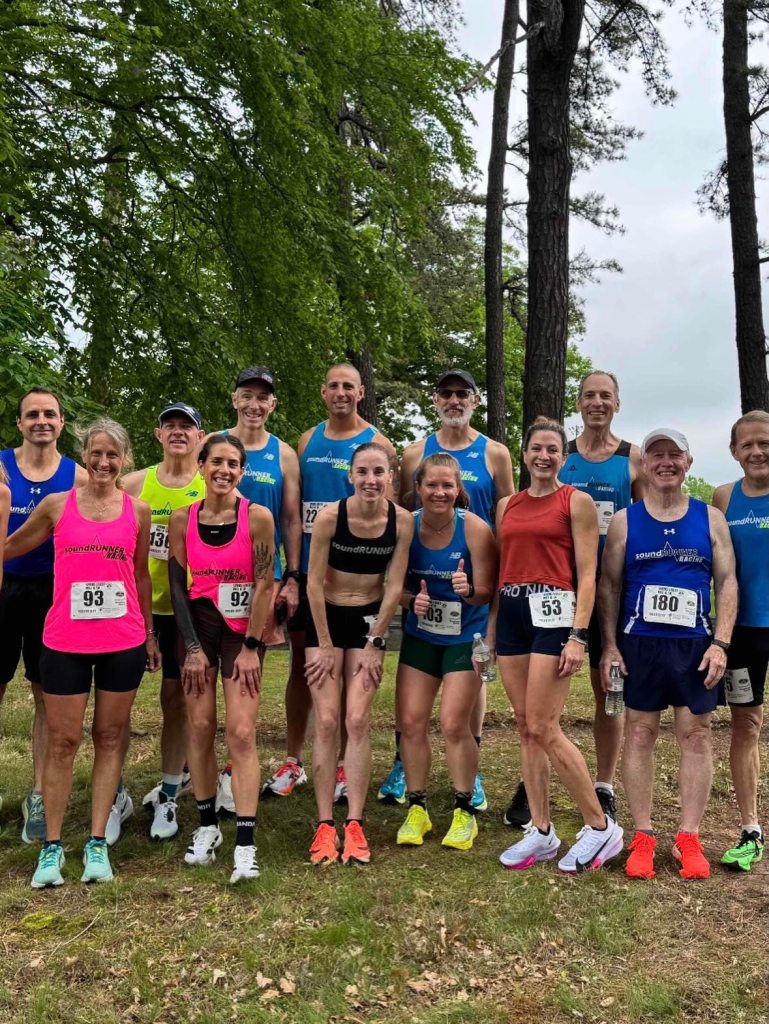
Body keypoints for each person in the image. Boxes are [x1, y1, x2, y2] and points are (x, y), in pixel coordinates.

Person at [3, 419, 160, 888]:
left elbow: (141, 575)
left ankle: (96, 842)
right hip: (65, 641)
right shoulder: (57, 505)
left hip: (122, 640)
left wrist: (149, 633)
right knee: (63, 742)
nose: (104, 462)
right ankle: (51, 847)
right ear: (84, 455)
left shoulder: (139, 510)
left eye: (112, 455)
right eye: (96, 453)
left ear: (124, 459)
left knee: (109, 737)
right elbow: (11, 548)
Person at [598, 428, 738, 880]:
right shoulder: (625, 521)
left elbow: (727, 582)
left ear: (688, 463)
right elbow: (609, 585)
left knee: (696, 736)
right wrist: (610, 646)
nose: (665, 462)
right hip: (640, 643)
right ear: (643, 465)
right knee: (639, 733)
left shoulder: (710, 518)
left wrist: (721, 643)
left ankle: (689, 838)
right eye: (656, 455)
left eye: (674, 455)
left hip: (695, 644)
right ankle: (643, 836)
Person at [492, 418, 624, 874]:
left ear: (563, 458)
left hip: (554, 616)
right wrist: (491, 629)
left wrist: (577, 635)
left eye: (552, 449)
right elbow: (503, 568)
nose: (544, 456)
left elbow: (587, 574)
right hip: (513, 615)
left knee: (545, 726)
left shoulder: (576, 501)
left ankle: (600, 826)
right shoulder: (507, 505)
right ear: (524, 454)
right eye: (536, 448)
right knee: (525, 726)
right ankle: (542, 830)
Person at [379, 369, 514, 812]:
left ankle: (470, 775)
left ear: (475, 400)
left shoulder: (494, 452)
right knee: (413, 710)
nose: (454, 400)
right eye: (446, 393)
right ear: (435, 399)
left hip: (473, 584)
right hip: (425, 584)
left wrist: (483, 583)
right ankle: (404, 766)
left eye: (463, 393)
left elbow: (507, 511)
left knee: (463, 698)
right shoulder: (415, 452)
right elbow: (401, 512)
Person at [277, 363, 397, 804]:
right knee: (302, 667)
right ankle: (293, 759)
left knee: (350, 680)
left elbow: (387, 515)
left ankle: (345, 764)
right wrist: (293, 572)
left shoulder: (378, 443)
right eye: (334, 386)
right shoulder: (307, 440)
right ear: (323, 392)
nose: (341, 392)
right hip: (313, 576)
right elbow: (293, 509)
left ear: (361, 392)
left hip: (357, 576)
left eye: (349, 386)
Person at [169, 433, 274, 883]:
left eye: (233, 464)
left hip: (242, 632)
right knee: (199, 726)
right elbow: (177, 586)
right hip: (200, 627)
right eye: (216, 462)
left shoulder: (258, 517)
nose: (224, 471)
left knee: (242, 732)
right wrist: (192, 648)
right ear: (202, 465)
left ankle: (245, 844)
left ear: (241, 471)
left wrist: (252, 646)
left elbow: (265, 584)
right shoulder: (183, 518)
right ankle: (208, 825)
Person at [305, 442, 412, 865]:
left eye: (378, 472)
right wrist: (323, 644)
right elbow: (313, 583)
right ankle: (324, 823)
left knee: (357, 720)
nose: (370, 480)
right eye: (362, 472)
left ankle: (354, 823)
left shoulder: (401, 521)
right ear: (350, 476)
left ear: (390, 477)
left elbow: (394, 585)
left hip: (370, 619)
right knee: (327, 720)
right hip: (326, 618)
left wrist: (375, 642)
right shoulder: (331, 517)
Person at [394, 454, 496, 851]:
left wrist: (468, 590)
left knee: (454, 723)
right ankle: (417, 807)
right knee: (411, 722)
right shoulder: (407, 526)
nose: (440, 492)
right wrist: (410, 602)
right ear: (418, 488)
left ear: (458, 490)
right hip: (421, 636)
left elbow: (488, 591)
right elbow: (395, 587)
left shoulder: (475, 529)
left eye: (447, 486)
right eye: (432, 485)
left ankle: (464, 809)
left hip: (464, 637)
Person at [0, 389, 88, 842]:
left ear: (61, 422)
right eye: (32, 414)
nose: (41, 421)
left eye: (49, 414)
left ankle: (38, 793)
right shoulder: (0, 467)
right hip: (3, 587)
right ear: (19, 423)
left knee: (44, 695)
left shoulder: (77, 476)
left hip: (53, 594)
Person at [216, 368, 301, 806]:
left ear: (273, 405)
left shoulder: (283, 453)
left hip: (260, 579)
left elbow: (291, 518)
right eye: (246, 395)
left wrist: (293, 576)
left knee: (248, 670)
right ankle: (200, 767)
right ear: (234, 399)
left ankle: (237, 766)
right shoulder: (213, 444)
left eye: (262, 398)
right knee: (203, 675)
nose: (254, 404)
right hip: (211, 577)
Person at [122, 403, 205, 840]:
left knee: (176, 701)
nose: (177, 432)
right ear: (158, 435)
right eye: (169, 425)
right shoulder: (135, 484)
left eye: (186, 427)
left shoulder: (208, 484)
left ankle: (170, 792)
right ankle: (114, 792)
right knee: (118, 701)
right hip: (135, 607)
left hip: (186, 612)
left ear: (199, 437)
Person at [712, 410, 769, 872]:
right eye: (747, 444)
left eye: (764, 442)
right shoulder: (724, 497)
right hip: (744, 631)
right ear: (734, 451)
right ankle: (751, 829)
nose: (757, 451)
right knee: (746, 725)